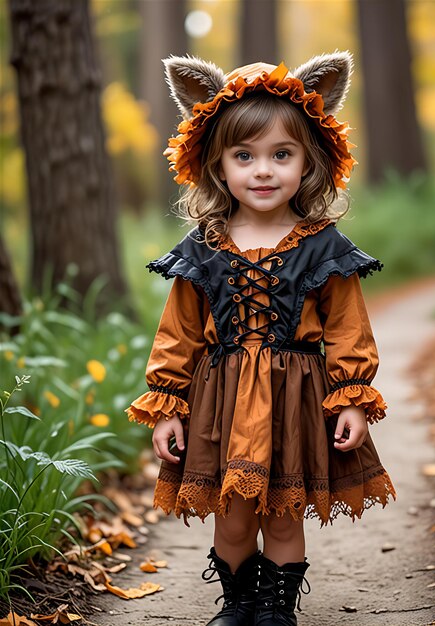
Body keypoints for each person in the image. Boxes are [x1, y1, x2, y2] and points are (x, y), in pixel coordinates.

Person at [127, 52, 396, 626]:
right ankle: (239, 600)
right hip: (219, 400)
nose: (263, 170)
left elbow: (349, 328)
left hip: (294, 399)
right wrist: (167, 407)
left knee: (282, 512)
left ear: (309, 161)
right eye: (244, 156)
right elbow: (176, 333)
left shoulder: (322, 245)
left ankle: (275, 609)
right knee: (232, 515)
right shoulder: (204, 247)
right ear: (218, 166)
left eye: (282, 154)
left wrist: (351, 399)